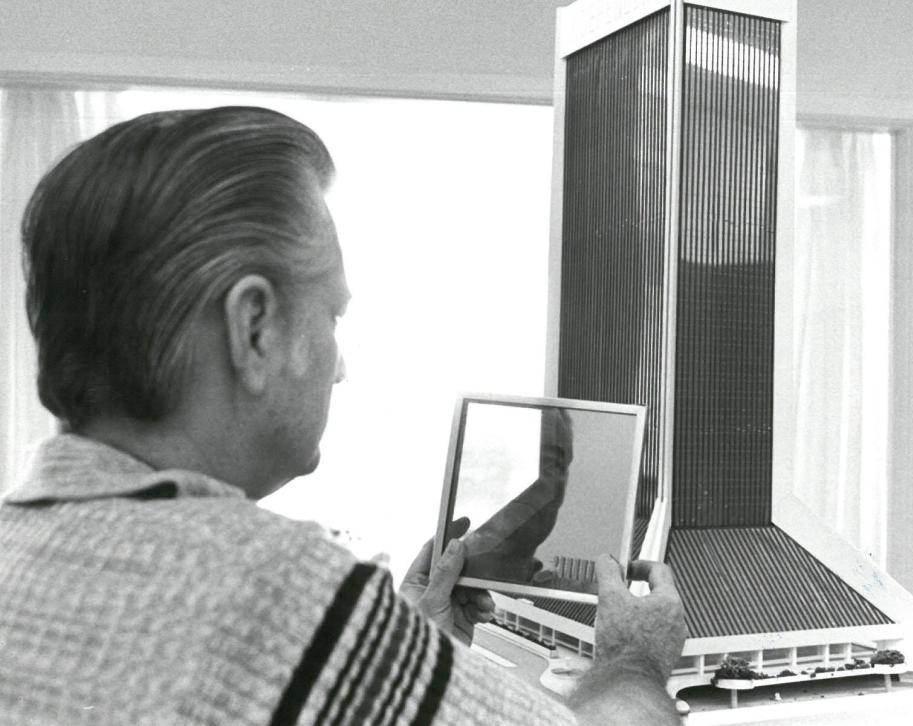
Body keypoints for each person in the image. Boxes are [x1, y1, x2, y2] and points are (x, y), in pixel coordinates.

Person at [0, 106, 687, 725]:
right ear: (256, 327)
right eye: (331, 313)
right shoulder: (274, 587)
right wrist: (632, 661)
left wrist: (414, 648)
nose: (340, 365)